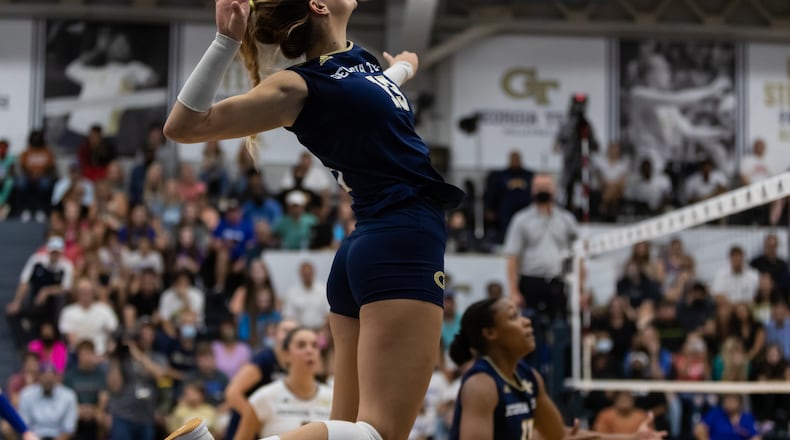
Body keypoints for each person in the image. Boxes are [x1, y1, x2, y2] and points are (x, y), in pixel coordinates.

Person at [164, 1, 464, 439]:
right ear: (319, 6)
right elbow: (185, 126)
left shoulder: (356, 61)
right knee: (378, 435)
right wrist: (226, 39)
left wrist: (401, 71)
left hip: (372, 245)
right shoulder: (297, 87)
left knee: (348, 430)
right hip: (401, 238)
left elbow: (368, 96)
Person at [447, 298, 665, 440]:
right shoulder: (481, 385)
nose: (526, 322)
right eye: (513, 317)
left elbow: (560, 435)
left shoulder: (529, 377)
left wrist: (635, 438)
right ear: (490, 333)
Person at [504, 174, 577, 320]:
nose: (542, 190)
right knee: (529, 326)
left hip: (558, 281)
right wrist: (513, 291)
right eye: (539, 187)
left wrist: (580, 289)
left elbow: (578, 254)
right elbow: (512, 256)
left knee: (560, 326)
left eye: (546, 187)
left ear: (554, 190)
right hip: (530, 282)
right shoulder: (521, 219)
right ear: (532, 190)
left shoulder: (567, 219)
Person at [236, 328, 333, 439]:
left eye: (314, 346)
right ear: (285, 355)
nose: (309, 350)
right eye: (301, 345)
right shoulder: (263, 397)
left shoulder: (333, 398)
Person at [18, 362, 78, 440]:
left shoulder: (69, 396)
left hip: (59, 437)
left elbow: (69, 429)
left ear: (56, 378)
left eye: (50, 377)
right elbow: (24, 426)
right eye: (45, 377)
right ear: (38, 377)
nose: (48, 381)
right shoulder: (26, 395)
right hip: (34, 437)